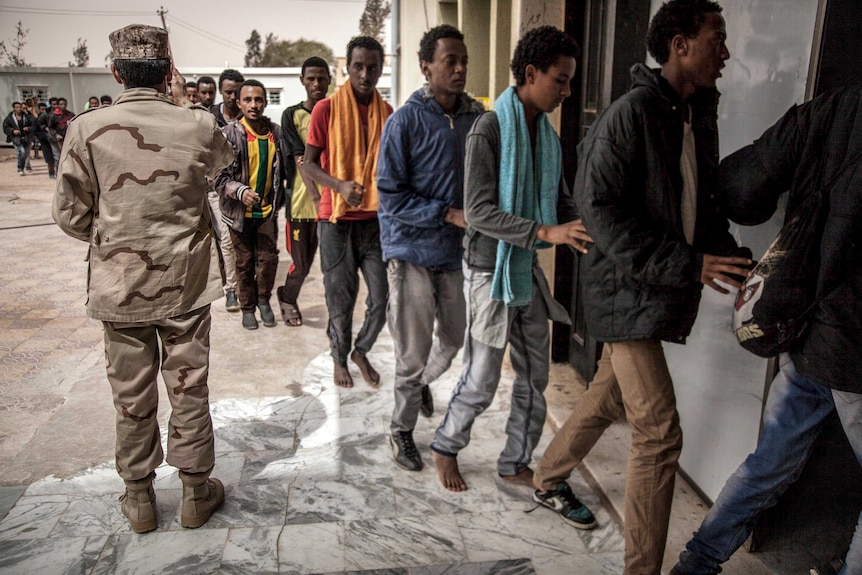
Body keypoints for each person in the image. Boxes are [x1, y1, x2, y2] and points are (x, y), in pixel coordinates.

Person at [529, 1, 753, 572]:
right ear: (679, 45)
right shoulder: (632, 112)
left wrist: (723, 253)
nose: (725, 53)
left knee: (606, 395)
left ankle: (548, 475)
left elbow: (694, 201)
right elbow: (598, 210)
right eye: (716, 39)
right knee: (658, 434)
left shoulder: (696, 111)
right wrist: (688, 264)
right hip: (621, 290)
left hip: (652, 286)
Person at [669, 85, 862, 575]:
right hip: (854, 347)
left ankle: (697, 563)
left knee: (769, 461)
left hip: (806, 331)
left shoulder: (832, 108)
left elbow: (738, 186)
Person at [51, 23, 234, 534]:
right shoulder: (198, 124)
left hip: (120, 286)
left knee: (131, 395)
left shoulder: (85, 129)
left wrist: (117, 234)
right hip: (186, 285)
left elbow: (70, 216)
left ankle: (139, 501)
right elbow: (222, 162)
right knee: (189, 387)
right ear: (166, 72)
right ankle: (196, 493)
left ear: (114, 70)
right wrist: (181, 103)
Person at [429, 26, 591, 491]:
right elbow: (478, 212)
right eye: (559, 80)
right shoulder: (490, 129)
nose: (566, 90)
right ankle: (446, 444)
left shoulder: (546, 134)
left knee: (535, 376)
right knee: (480, 378)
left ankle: (515, 460)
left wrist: (587, 226)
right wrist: (544, 232)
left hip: (525, 269)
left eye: (569, 81)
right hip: (487, 269)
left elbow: (560, 202)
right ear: (530, 73)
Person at [377, 24, 484, 471]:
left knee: (455, 337)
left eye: (463, 61)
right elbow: (390, 194)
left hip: (454, 252)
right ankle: (400, 430)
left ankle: (419, 383)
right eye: (449, 61)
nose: (459, 69)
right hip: (411, 251)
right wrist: (445, 213)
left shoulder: (477, 116)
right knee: (411, 353)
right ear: (426, 67)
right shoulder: (404, 121)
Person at [303, 36, 392, 388]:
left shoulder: (388, 114)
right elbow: (308, 165)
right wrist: (339, 186)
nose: (365, 74)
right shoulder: (326, 110)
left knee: (382, 298)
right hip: (335, 221)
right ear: (348, 68)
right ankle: (339, 357)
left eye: (372, 67)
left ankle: (361, 350)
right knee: (340, 300)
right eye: (358, 66)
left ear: (381, 69)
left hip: (374, 222)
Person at [215, 79, 288, 330]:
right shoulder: (229, 134)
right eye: (247, 100)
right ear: (238, 103)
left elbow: (284, 171)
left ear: (266, 103)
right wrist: (240, 191)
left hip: (266, 212)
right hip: (238, 214)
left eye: (258, 100)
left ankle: (264, 301)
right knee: (244, 261)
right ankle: (248, 307)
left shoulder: (276, 133)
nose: (253, 105)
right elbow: (217, 177)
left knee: (268, 260)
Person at [276, 56, 332, 326]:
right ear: (302, 81)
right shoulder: (292, 115)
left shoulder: (337, 112)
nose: (316, 83)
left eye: (321, 77)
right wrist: (315, 196)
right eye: (311, 78)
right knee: (302, 264)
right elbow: (301, 160)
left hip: (334, 204)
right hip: (302, 204)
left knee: (334, 265)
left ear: (329, 79)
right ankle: (287, 298)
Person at [207, 69, 245, 312]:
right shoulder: (209, 117)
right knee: (226, 239)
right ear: (221, 91)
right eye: (228, 92)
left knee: (244, 240)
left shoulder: (248, 116)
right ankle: (231, 289)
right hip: (217, 189)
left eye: (236, 92)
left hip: (243, 188)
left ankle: (244, 284)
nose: (232, 97)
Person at [3, 101, 34, 176]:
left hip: (26, 138)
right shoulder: (9, 118)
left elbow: (34, 125)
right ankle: (20, 169)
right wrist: (12, 131)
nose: (19, 109)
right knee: (21, 152)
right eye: (17, 107)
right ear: (14, 108)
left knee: (26, 153)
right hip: (16, 139)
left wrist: (29, 128)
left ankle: (25, 166)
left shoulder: (27, 117)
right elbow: (5, 127)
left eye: (20, 107)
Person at [33, 102, 56, 178]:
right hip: (45, 142)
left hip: (54, 140)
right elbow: (35, 131)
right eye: (42, 109)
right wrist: (44, 136)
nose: (43, 111)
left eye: (45, 109)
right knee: (50, 160)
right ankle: (51, 173)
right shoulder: (37, 120)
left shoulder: (51, 118)